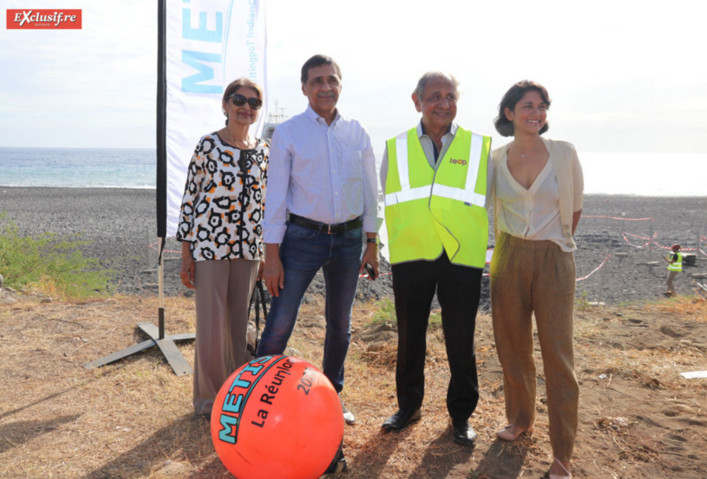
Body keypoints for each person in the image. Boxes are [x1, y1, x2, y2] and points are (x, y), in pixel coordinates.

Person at [257, 54, 379, 428]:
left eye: (332, 79)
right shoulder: (290, 132)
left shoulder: (356, 131)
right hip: (301, 238)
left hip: (348, 240)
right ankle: (255, 399)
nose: (325, 86)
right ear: (304, 88)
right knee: (280, 322)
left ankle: (331, 398)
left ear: (340, 84)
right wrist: (272, 255)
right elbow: (275, 197)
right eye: (317, 81)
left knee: (340, 324)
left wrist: (372, 241)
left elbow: (370, 191)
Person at [380, 72, 492, 447]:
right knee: (410, 337)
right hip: (412, 254)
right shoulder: (395, 148)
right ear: (417, 101)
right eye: (434, 96)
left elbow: (492, 199)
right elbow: (386, 198)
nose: (443, 103)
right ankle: (408, 407)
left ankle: (461, 415)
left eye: (450, 95)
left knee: (461, 338)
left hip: (462, 257)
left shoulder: (479, 147)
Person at [489, 80, 583, 479]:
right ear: (509, 113)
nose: (537, 112)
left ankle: (562, 452)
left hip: (554, 257)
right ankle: (521, 419)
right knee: (512, 346)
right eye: (528, 105)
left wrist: (552, 242)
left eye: (542, 106)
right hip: (508, 255)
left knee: (558, 357)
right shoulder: (494, 159)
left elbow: (574, 208)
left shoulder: (563, 152)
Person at [176, 78, 269, 417]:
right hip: (210, 246)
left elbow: (268, 205)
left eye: (253, 102)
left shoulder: (264, 150)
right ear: (226, 104)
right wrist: (186, 253)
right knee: (211, 325)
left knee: (236, 325)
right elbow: (190, 199)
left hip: (249, 250)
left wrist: (267, 255)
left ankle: (235, 393)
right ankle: (208, 400)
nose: (246, 106)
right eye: (239, 99)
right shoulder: (208, 145)